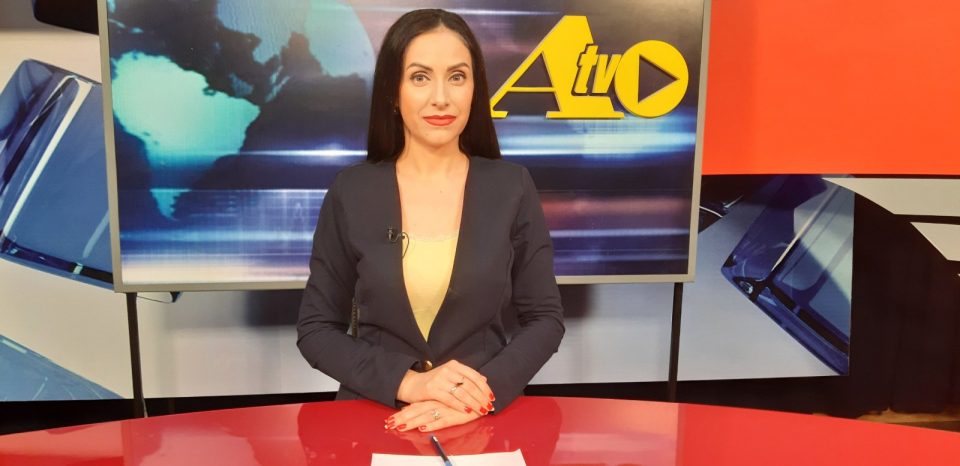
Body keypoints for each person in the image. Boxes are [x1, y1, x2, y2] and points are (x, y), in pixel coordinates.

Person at [297, 8, 564, 432]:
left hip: (479, 418)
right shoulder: (352, 190)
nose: (441, 97)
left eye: (457, 77)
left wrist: (480, 395)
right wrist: (411, 384)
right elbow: (316, 329)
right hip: (378, 415)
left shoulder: (511, 186)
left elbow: (545, 320)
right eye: (420, 77)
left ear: (474, 88)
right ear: (393, 91)